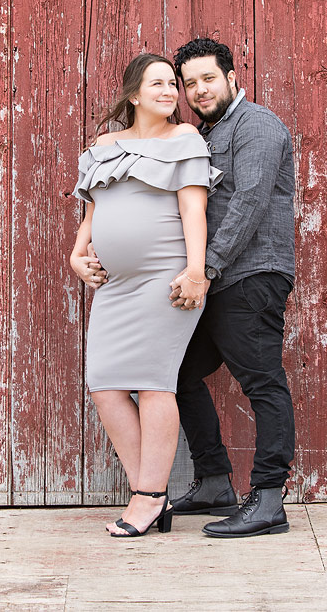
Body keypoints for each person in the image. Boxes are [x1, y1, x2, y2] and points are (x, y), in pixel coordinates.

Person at [69, 53, 222, 538]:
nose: (169, 92)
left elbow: (194, 211)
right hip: (116, 286)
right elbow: (93, 216)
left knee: (155, 382)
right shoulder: (104, 146)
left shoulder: (184, 139)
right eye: (156, 84)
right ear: (134, 94)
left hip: (164, 279)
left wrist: (196, 271)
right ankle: (149, 492)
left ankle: (149, 497)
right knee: (105, 384)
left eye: (171, 85)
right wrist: (77, 255)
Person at [166, 36, 298, 538]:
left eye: (208, 78)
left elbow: (249, 204)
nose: (199, 90)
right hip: (216, 283)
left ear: (232, 78)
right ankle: (216, 480)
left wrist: (206, 268)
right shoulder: (204, 134)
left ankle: (268, 499)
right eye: (190, 82)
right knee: (176, 371)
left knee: (262, 382)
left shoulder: (257, 126)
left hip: (250, 277)